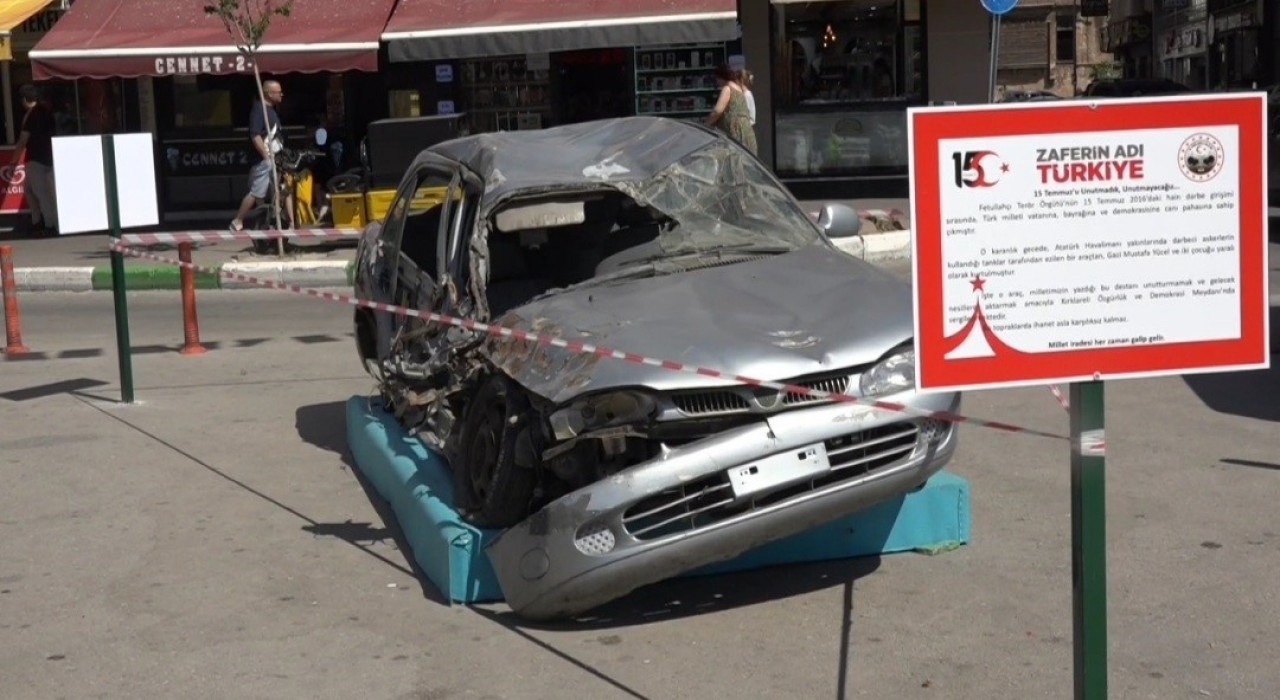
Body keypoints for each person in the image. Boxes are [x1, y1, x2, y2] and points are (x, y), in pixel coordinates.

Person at [230, 79, 286, 232]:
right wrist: (266, 157)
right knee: (256, 192)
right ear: (269, 94)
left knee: (275, 190)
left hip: (274, 157)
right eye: (278, 92)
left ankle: (268, 221)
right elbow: (255, 135)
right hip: (264, 160)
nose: (282, 94)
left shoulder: (271, 110)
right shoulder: (259, 110)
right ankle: (238, 220)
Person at [9, 84, 58, 236]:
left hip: (36, 159)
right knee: (30, 190)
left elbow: (23, 140)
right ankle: (38, 221)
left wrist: (13, 162)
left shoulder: (31, 115)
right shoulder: (47, 112)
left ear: (24, 100)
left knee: (41, 193)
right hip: (48, 157)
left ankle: (50, 225)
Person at [704, 64, 758, 156]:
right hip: (746, 135)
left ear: (721, 77)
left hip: (736, 136)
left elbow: (717, 111)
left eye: (717, 79)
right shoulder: (739, 90)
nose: (717, 82)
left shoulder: (727, 89)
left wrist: (705, 124)